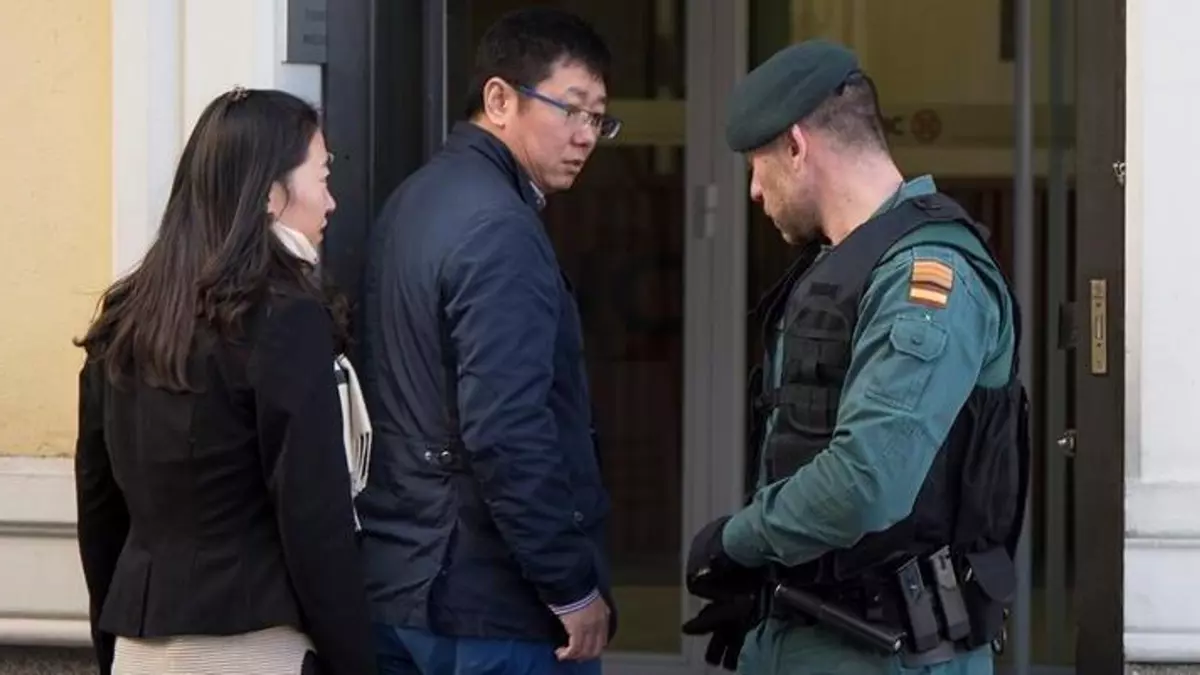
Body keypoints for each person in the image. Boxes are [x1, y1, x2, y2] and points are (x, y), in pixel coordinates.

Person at [680, 40, 1031, 675]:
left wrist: (740, 541)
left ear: (796, 146)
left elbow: (868, 481)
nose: (754, 191)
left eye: (756, 166)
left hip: (891, 650)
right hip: (811, 629)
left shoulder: (926, 277)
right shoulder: (843, 266)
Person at [74, 87, 376, 675]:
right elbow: (314, 519)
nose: (331, 201)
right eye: (322, 177)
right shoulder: (284, 315)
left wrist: (113, 644)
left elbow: (99, 506)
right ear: (268, 194)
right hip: (254, 647)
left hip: (139, 648)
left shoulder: (126, 315)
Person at [354, 8, 621, 675]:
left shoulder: (411, 201)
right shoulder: (501, 228)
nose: (586, 135)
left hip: (400, 586)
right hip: (489, 605)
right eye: (572, 109)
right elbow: (507, 429)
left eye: (598, 119)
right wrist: (570, 585)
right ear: (499, 100)